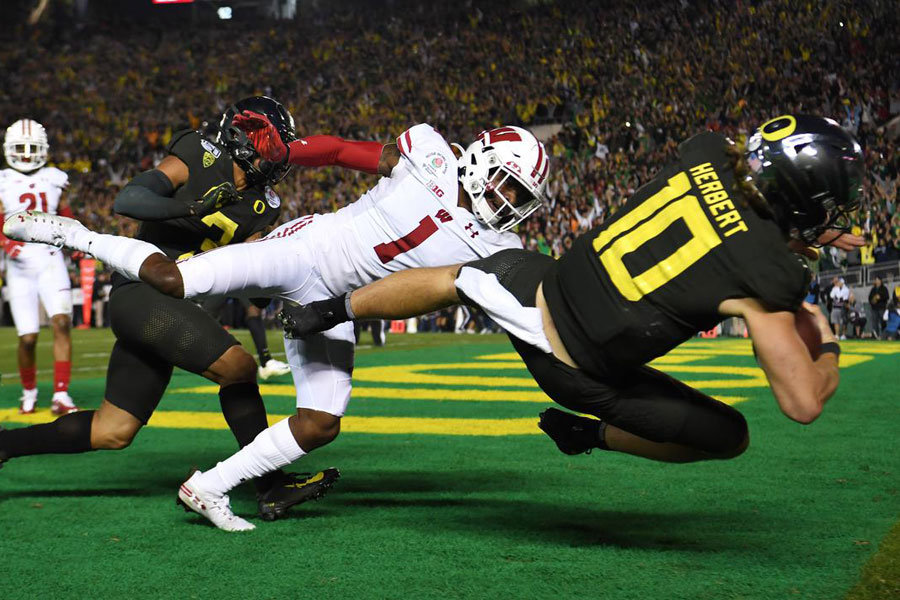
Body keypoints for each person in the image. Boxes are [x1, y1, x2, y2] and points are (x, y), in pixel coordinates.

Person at [6, 119, 552, 531]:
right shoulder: (430, 152)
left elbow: (423, 294)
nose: (509, 203)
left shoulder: (500, 246)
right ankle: (75, 235)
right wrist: (289, 150)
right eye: (506, 185)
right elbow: (339, 151)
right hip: (307, 247)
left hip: (340, 298)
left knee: (321, 422)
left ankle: (210, 488)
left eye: (521, 198)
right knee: (174, 281)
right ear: (480, 159)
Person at [282, 114, 862, 471]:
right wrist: (828, 344)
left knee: (460, 277)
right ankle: (595, 434)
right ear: (800, 198)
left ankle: (331, 309)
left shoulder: (707, 151)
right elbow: (802, 403)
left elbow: (725, 217)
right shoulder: (765, 274)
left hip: (546, 281)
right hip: (577, 367)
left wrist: (786, 230)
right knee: (730, 436)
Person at [0, 98, 338, 529]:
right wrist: (192, 207)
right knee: (237, 367)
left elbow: (250, 272)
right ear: (241, 136)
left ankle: (4, 445)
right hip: (141, 292)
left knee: (112, 430)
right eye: (268, 144)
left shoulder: (264, 205)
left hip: (174, 310)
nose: (274, 156)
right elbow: (131, 198)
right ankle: (270, 486)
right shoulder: (200, 154)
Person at [0, 118, 78, 416]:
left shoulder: (56, 177)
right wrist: (6, 242)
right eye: (21, 148)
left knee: (61, 323)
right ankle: (29, 391)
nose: (28, 154)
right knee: (28, 338)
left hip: (49, 258)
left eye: (33, 148)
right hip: (19, 265)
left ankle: (61, 394)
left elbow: (65, 213)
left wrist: (77, 242)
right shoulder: (3, 179)